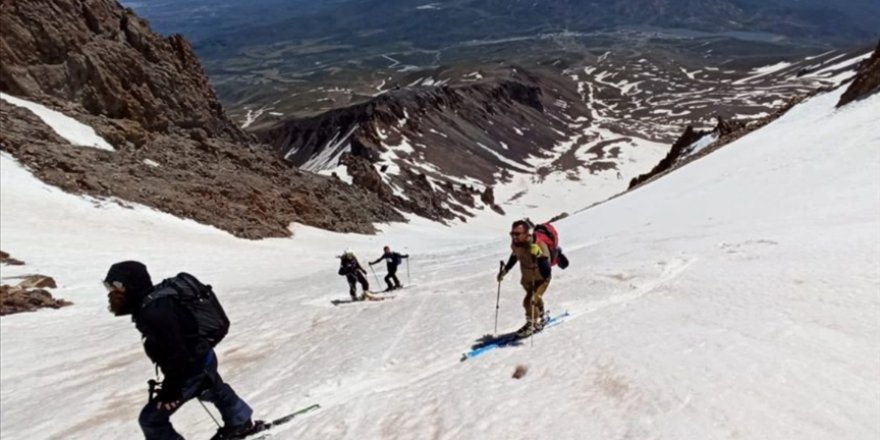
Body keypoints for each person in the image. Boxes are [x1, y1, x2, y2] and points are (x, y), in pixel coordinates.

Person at [103, 261, 258, 440]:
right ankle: (240, 422)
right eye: (109, 286)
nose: (112, 292)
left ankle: (240, 422)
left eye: (117, 285)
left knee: (151, 419)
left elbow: (177, 354)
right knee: (212, 388)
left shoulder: (154, 312)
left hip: (192, 365)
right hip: (203, 356)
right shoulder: (154, 302)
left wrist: (171, 391)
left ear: (132, 284)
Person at [496, 220, 553, 337]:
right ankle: (541, 316)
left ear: (527, 233)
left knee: (529, 301)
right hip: (527, 279)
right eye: (512, 233)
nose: (514, 236)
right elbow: (515, 256)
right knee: (535, 299)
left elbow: (547, 271)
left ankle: (532, 323)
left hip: (541, 279)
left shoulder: (539, 245)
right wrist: (505, 270)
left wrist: (539, 255)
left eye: (517, 234)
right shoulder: (516, 245)